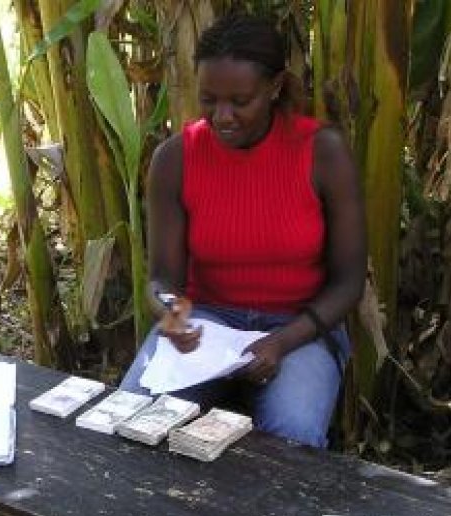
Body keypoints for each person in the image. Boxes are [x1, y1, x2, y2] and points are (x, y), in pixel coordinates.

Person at [120, 13, 366, 449]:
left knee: (293, 435)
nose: (222, 116)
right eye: (209, 100)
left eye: (240, 100)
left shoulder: (323, 152)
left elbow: (348, 282)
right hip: (208, 324)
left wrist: (281, 341)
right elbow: (161, 280)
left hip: (301, 325)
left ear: (274, 89)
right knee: (134, 416)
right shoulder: (175, 158)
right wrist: (171, 313)